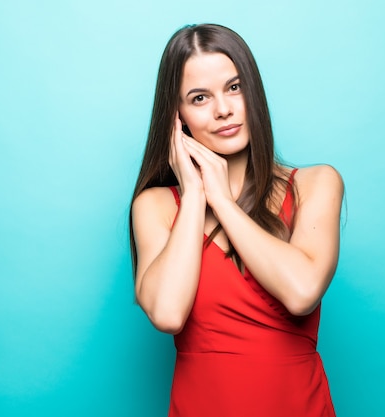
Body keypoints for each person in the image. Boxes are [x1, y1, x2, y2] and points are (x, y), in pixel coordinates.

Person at [129, 23, 343, 417]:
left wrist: (222, 202)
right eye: (199, 98)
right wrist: (194, 194)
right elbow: (167, 313)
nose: (223, 109)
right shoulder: (157, 206)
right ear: (177, 118)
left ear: (253, 92)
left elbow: (301, 292)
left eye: (234, 87)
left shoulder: (315, 184)